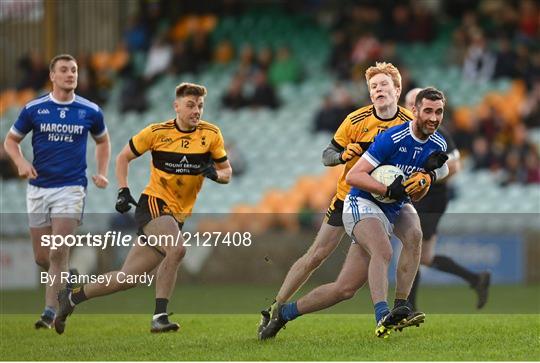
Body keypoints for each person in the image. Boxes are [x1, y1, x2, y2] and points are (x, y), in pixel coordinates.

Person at [259, 62, 425, 339]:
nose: (378, 90)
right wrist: (343, 156)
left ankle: (401, 306)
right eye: (373, 87)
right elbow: (327, 155)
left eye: (383, 84)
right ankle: (274, 306)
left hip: (389, 202)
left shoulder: (409, 123)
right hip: (350, 199)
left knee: (347, 288)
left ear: (397, 90)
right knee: (317, 254)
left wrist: (424, 177)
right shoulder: (356, 120)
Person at [54, 82, 232, 334]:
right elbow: (122, 157)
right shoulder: (157, 132)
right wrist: (123, 190)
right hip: (153, 204)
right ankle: (159, 316)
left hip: (176, 216)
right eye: (190, 105)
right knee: (178, 249)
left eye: (200, 106)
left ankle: (72, 297)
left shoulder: (211, 135)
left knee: (127, 279)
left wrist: (214, 173)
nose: (196, 111)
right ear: (177, 106)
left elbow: (227, 173)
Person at [4, 54, 111, 329]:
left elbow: (103, 141)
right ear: (52, 76)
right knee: (43, 257)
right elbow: (11, 141)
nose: (70, 74)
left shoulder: (90, 110)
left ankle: (49, 312)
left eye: (74, 70)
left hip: (72, 188)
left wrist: (102, 171)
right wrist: (20, 162)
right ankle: (69, 278)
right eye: (64, 70)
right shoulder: (34, 108)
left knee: (57, 251)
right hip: (39, 188)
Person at [342, 87, 449, 337]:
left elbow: (418, 190)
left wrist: (427, 179)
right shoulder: (393, 138)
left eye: (439, 112)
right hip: (364, 200)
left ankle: (402, 307)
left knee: (414, 235)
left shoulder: (438, 144)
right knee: (383, 251)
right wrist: (386, 189)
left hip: (395, 203)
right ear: (414, 110)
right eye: (428, 111)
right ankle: (382, 316)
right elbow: (353, 175)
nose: (434, 117)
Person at [405, 88, 491, 310]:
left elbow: (456, 166)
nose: (408, 109)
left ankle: (408, 308)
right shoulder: (402, 133)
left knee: (412, 251)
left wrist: (428, 178)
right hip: (416, 198)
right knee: (425, 257)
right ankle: (476, 279)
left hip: (432, 198)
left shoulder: (438, 133)